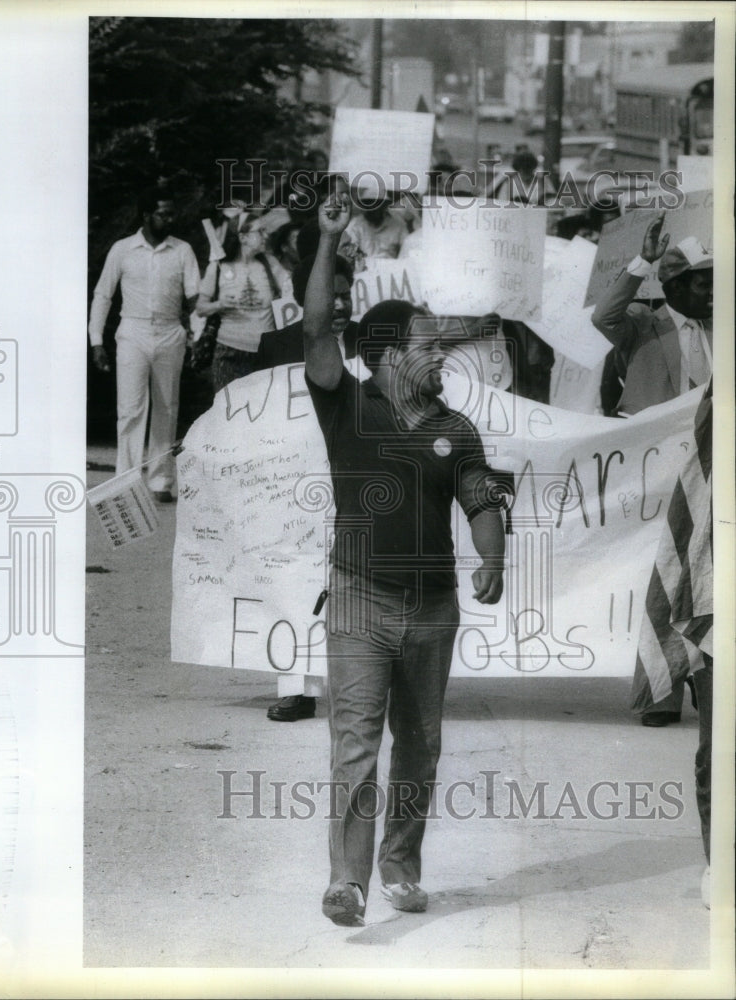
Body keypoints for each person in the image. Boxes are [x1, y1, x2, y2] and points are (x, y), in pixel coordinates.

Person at [303, 188, 506, 926]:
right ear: (388, 358)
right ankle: (346, 882)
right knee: (355, 743)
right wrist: (326, 242)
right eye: (427, 346)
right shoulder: (346, 404)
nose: (439, 355)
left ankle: (400, 867)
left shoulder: (457, 425)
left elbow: (483, 499)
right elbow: (318, 327)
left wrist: (494, 556)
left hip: (433, 608)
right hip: (358, 599)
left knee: (418, 745)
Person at [592, 214, 713, 727]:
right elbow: (604, 315)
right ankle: (660, 692)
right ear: (676, 286)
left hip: (707, 470)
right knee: (659, 575)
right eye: (704, 284)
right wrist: (641, 261)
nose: (714, 293)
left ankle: (702, 674)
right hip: (652, 478)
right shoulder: (644, 324)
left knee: (700, 571)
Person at [252, 252, 359, 722]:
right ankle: (297, 686)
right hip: (293, 481)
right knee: (295, 575)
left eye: (345, 294)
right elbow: (250, 413)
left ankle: (360, 682)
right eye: (328, 294)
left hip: (355, 479)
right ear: (303, 297)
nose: (338, 304)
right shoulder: (275, 346)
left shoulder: (369, 342)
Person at [89, 188, 200, 502]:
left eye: (171, 213)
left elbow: (195, 299)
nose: (170, 218)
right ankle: (124, 484)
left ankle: (161, 481)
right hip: (132, 332)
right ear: (146, 215)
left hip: (169, 333)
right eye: (163, 213)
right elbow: (103, 295)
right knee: (130, 409)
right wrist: (96, 341)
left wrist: (197, 336)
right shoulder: (123, 249)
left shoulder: (182, 251)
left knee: (167, 407)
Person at [194, 211, 287, 393]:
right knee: (229, 414)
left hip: (265, 354)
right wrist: (219, 304)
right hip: (229, 353)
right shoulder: (219, 267)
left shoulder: (270, 264)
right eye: (260, 231)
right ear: (243, 237)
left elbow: (292, 289)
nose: (265, 236)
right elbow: (200, 308)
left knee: (262, 414)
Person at [339, 193, 408, 268]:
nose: (373, 208)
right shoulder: (356, 226)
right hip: (364, 271)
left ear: (383, 206)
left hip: (392, 269)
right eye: (369, 204)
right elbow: (348, 252)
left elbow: (407, 250)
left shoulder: (398, 225)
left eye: (377, 204)